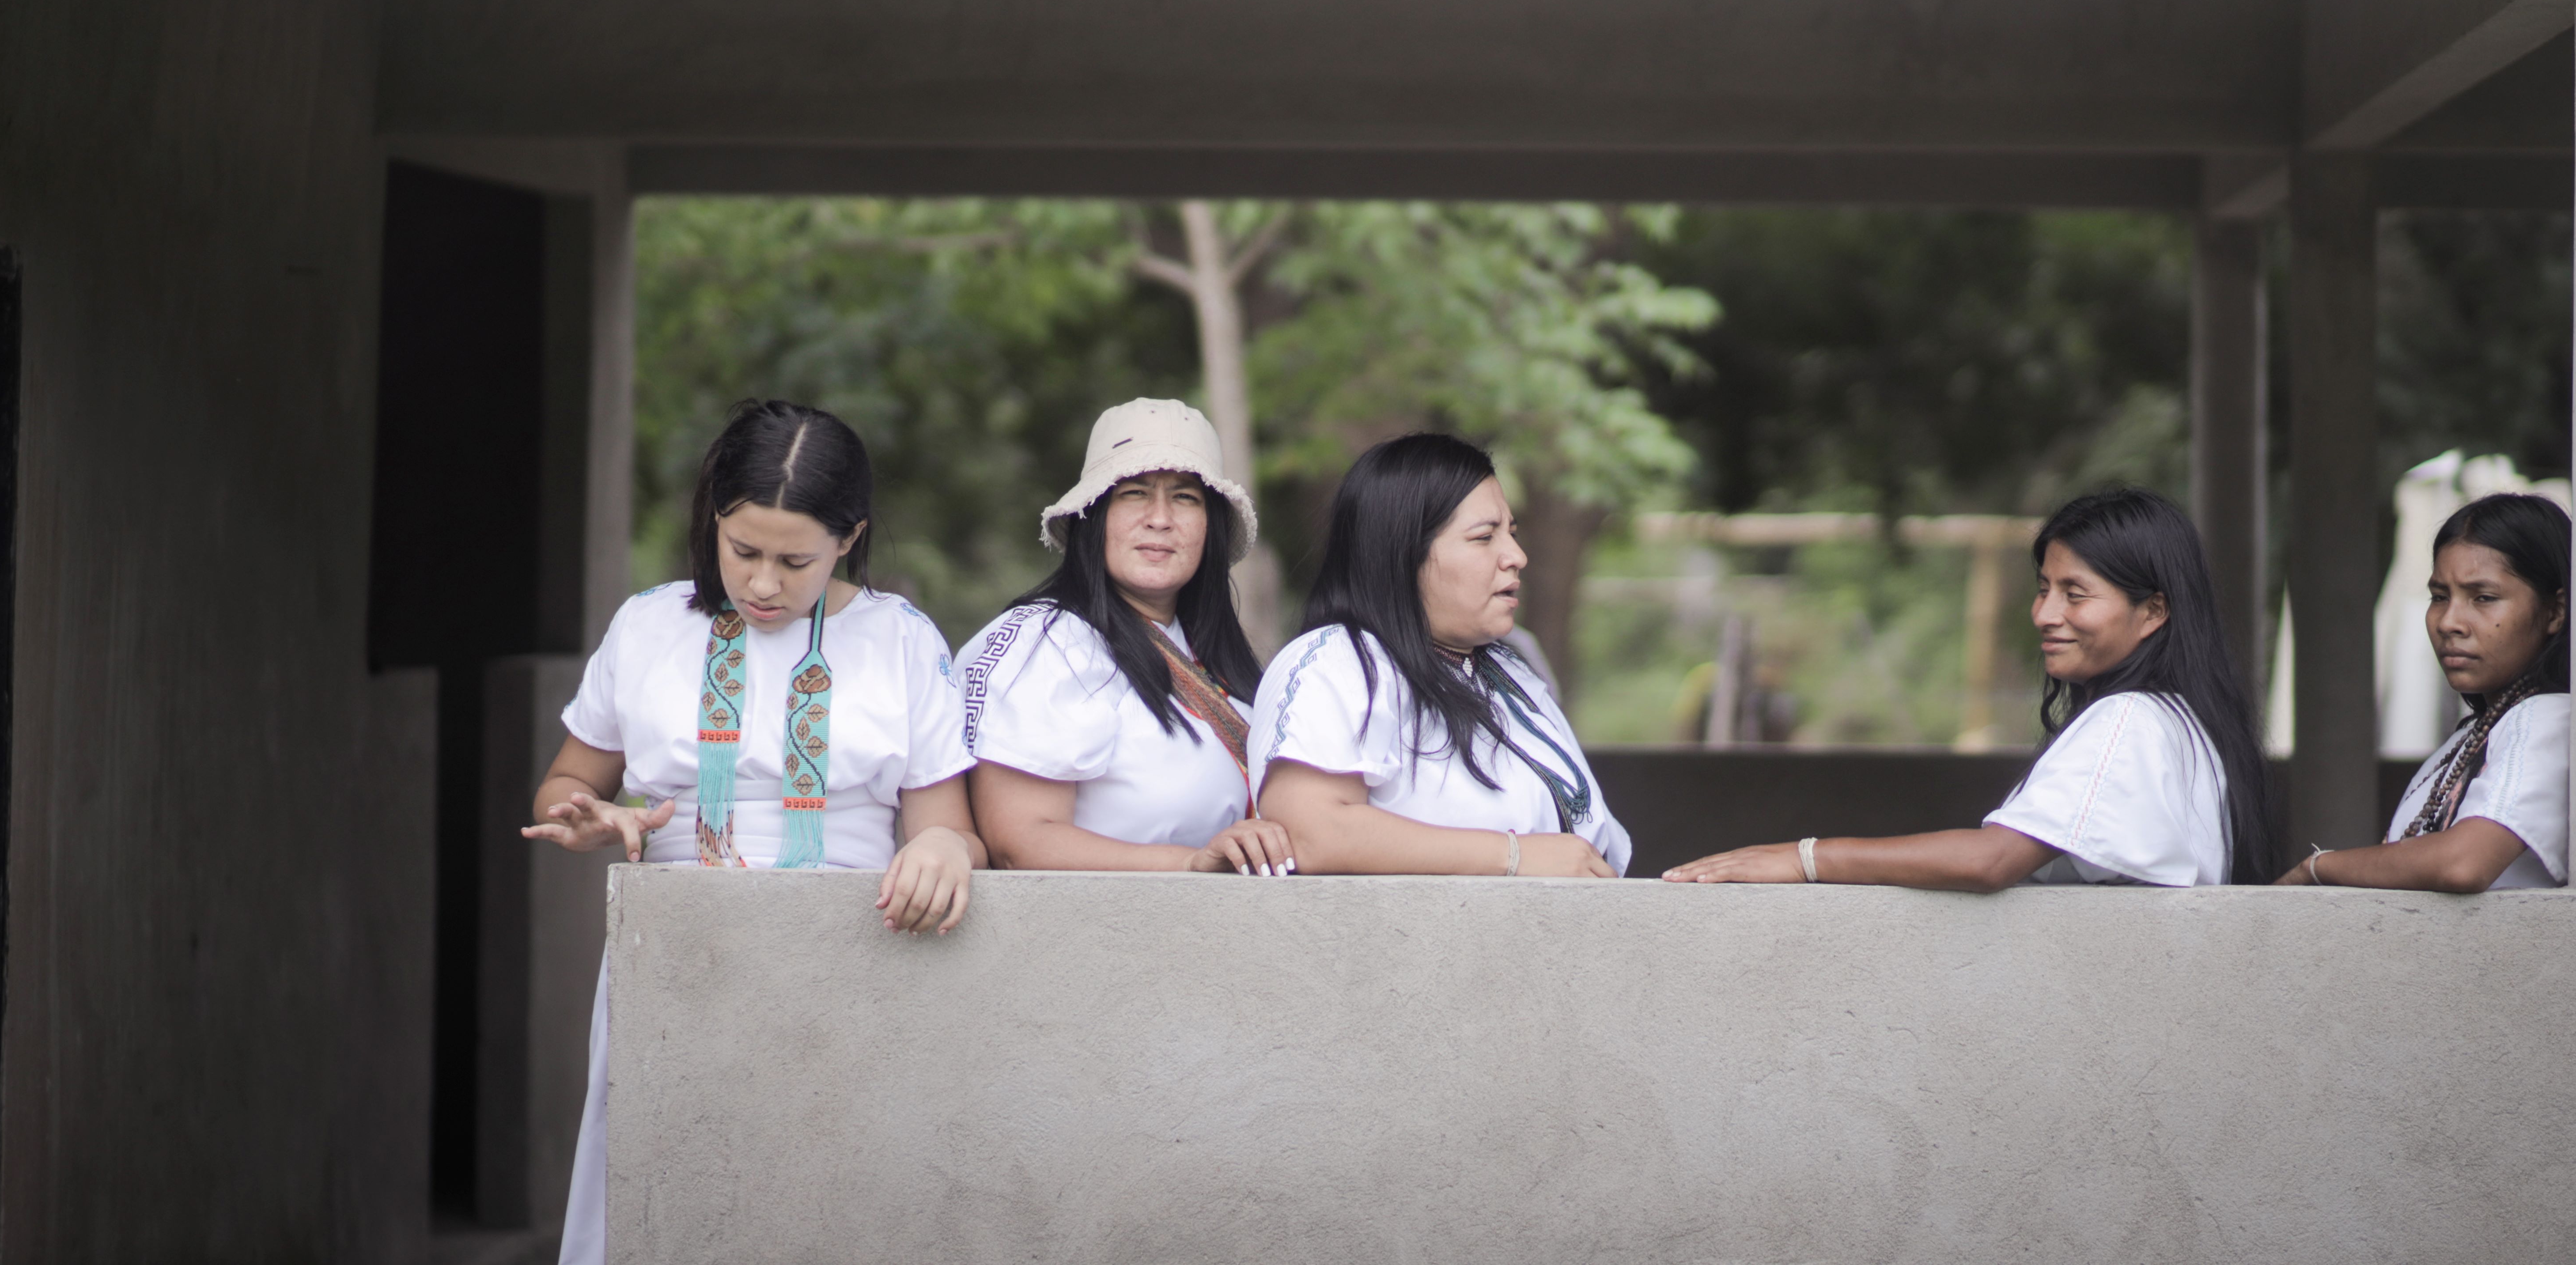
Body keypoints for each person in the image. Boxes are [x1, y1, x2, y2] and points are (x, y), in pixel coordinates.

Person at [522, 400, 983, 1265]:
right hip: (674, 960)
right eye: (743, 552)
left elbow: (951, 834)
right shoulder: (649, 625)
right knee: (661, 1188)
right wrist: (592, 816)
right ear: (714, 524)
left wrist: (939, 848)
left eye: (794, 560)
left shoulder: (901, 640)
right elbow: (568, 785)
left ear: (850, 537)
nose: (763, 583)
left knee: (829, 1199)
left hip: (857, 962)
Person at [1666, 486, 2274, 889]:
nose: (2045, 614)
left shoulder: (2128, 721)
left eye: (2075, 593)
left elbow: (1993, 861)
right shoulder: (2182, 721)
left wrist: (1803, 858)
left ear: (2152, 611)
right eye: (2044, 588)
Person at [1251, 432, 1632, 877]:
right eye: (1484, 537)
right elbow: (1311, 833)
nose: (1516, 556)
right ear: (1403, 552)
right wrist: (1514, 856)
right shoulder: (1340, 662)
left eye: (1511, 533)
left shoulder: (1507, 671)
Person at [956, 398, 1294, 873]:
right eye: (1135, 493)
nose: (1160, 518)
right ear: (1094, 517)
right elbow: (1020, 841)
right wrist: (1192, 865)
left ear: (1210, 528)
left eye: (1185, 498)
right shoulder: (1044, 643)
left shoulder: (1216, 658)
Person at [2276, 492, 2570, 890]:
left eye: (2483, 598)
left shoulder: (2549, 717)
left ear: (2555, 612)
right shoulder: (2480, 730)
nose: (2449, 622)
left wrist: (2316, 868)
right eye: (2439, 597)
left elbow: (2464, 863)